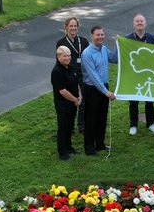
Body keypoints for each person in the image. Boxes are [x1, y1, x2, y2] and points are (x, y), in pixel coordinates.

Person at [80, 25, 119, 156]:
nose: (101, 37)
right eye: (98, 35)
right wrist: (106, 92)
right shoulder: (87, 53)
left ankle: (100, 144)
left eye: (102, 34)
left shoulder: (104, 49)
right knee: (91, 119)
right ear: (92, 36)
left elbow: (115, 59)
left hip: (104, 88)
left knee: (102, 117)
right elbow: (93, 76)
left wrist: (117, 46)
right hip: (92, 90)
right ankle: (90, 148)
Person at [124, 14, 154, 136]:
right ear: (134, 24)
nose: (139, 23)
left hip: (149, 75)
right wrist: (119, 43)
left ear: (145, 24)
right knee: (133, 101)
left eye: (142, 21)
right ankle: (133, 125)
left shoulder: (152, 38)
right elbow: (122, 57)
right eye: (137, 21)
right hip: (134, 76)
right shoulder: (127, 39)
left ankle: (150, 124)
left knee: (150, 100)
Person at [56, 16, 89, 134]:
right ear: (66, 27)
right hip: (69, 77)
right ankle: (69, 128)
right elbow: (59, 61)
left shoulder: (84, 41)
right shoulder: (61, 43)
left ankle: (82, 126)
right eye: (71, 26)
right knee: (71, 102)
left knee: (83, 102)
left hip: (83, 75)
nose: (73, 28)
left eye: (75, 26)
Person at [51, 46, 81, 160]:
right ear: (58, 56)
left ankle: (69, 147)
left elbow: (76, 82)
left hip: (73, 103)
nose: (68, 58)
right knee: (63, 127)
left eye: (69, 55)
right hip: (63, 104)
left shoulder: (70, 67)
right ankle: (62, 153)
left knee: (70, 126)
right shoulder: (57, 71)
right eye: (65, 56)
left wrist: (80, 95)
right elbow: (62, 91)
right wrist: (76, 100)